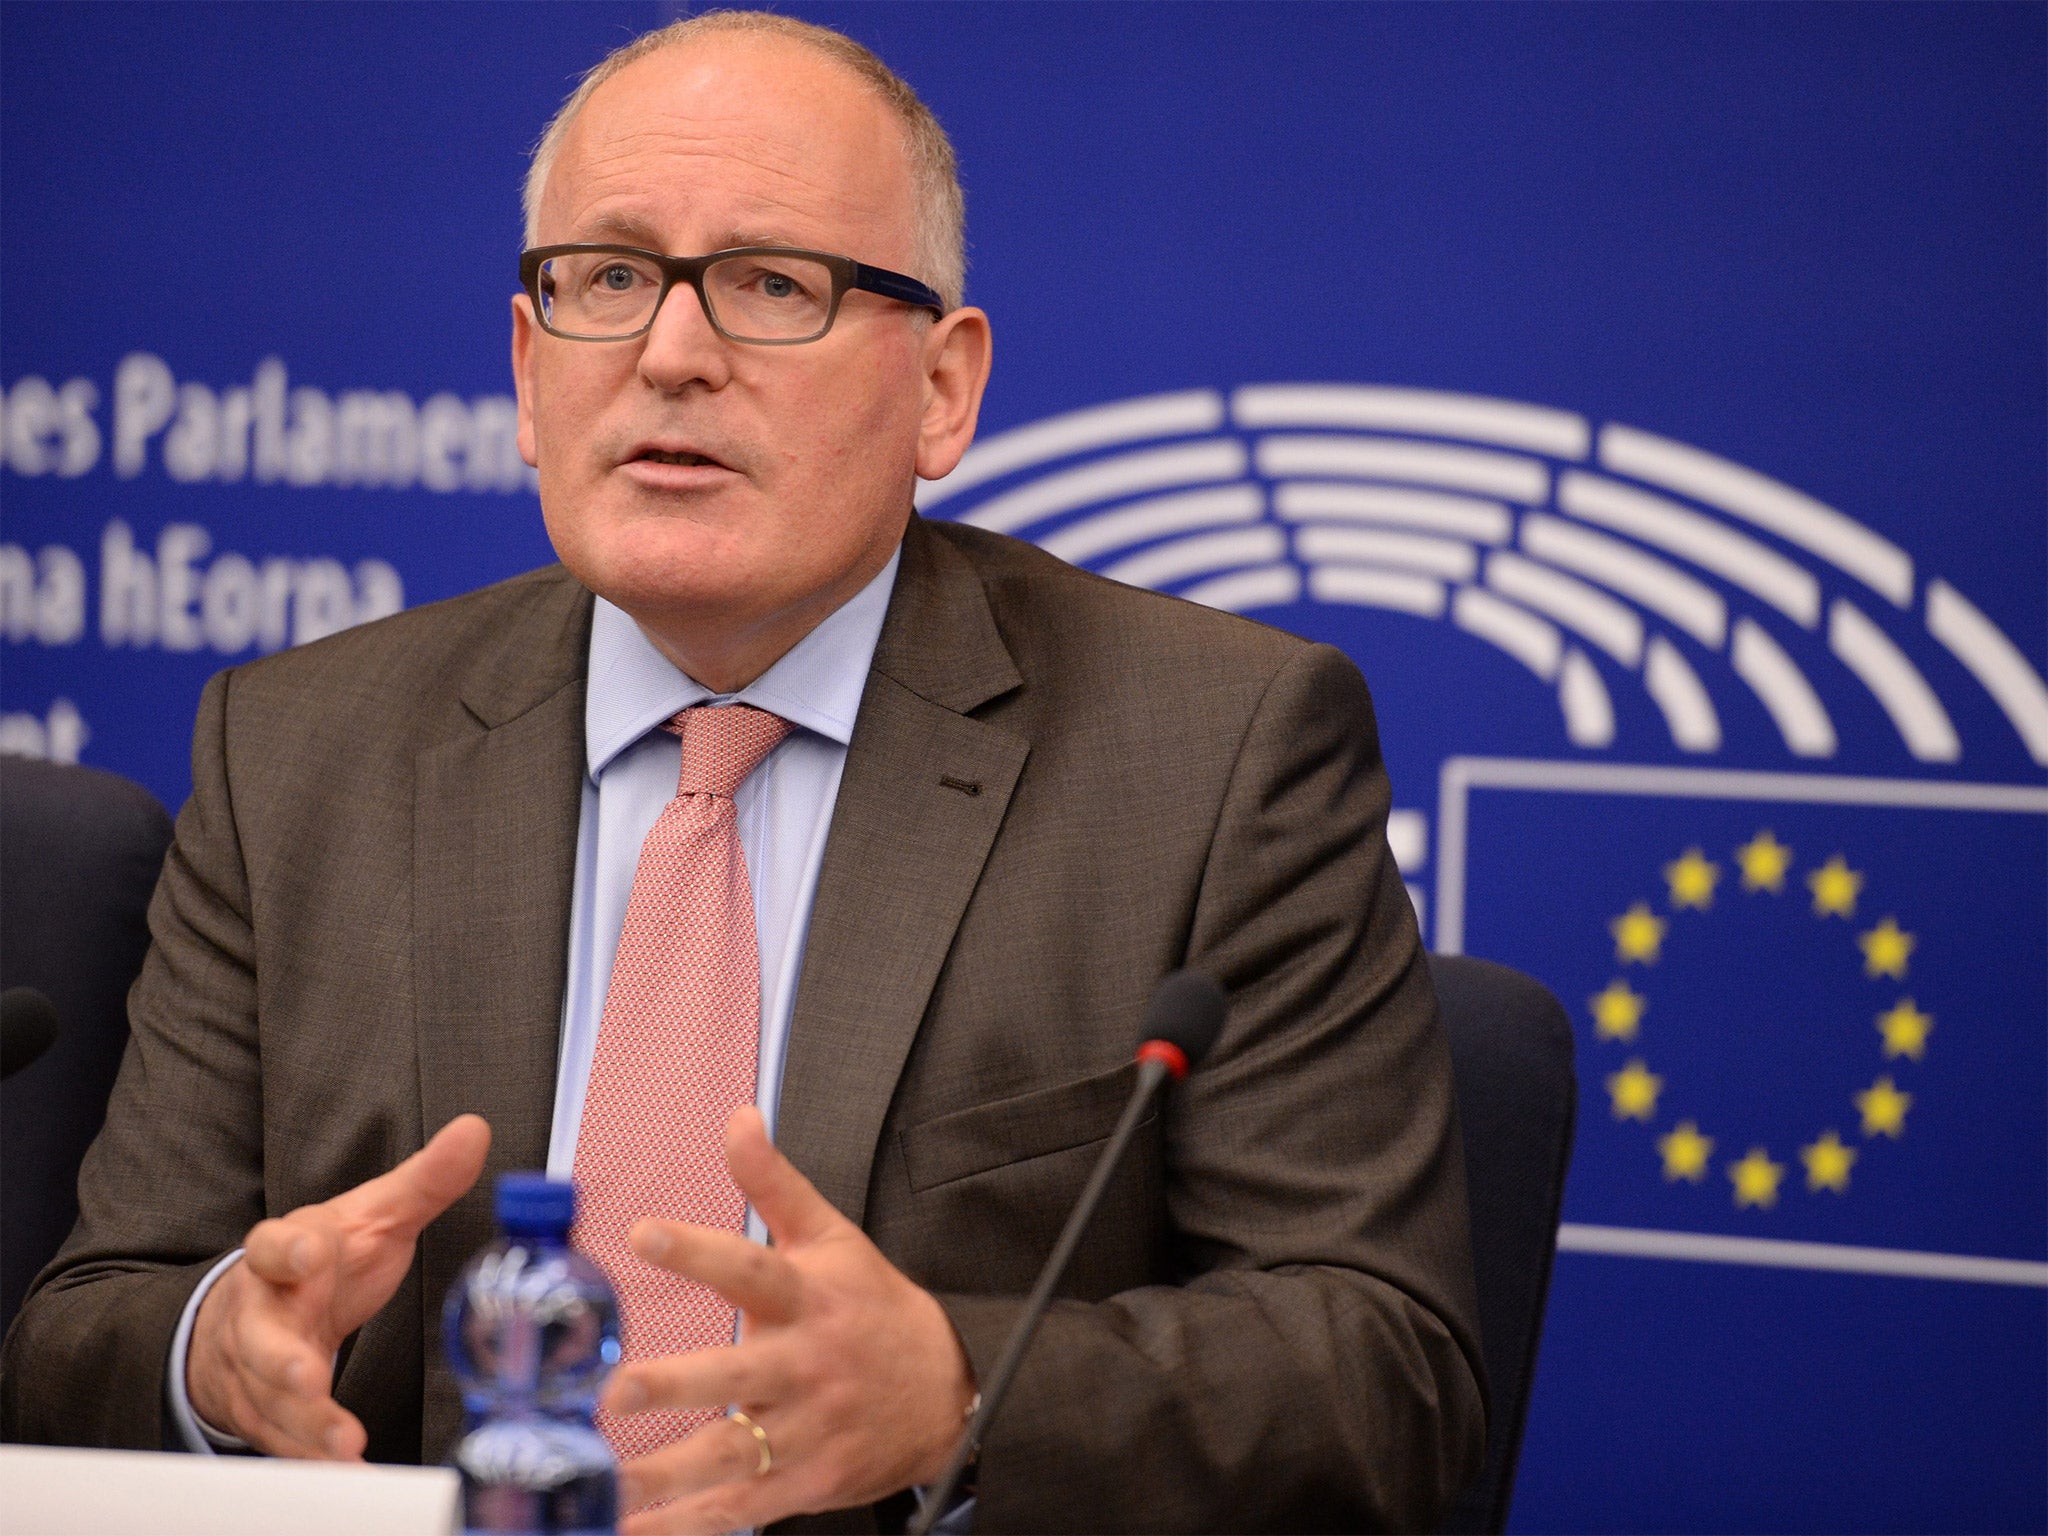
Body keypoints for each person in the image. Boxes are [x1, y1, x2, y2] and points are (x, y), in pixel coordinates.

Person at [0, 13, 1485, 1531]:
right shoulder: (301, 750)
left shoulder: (1212, 754)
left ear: (941, 391)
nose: (671, 354)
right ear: (528, 368)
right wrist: (217, 1355)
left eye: (775, 284)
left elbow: (1389, 1376)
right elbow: (83, 1330)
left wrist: (962, 1394)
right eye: (611, 278)